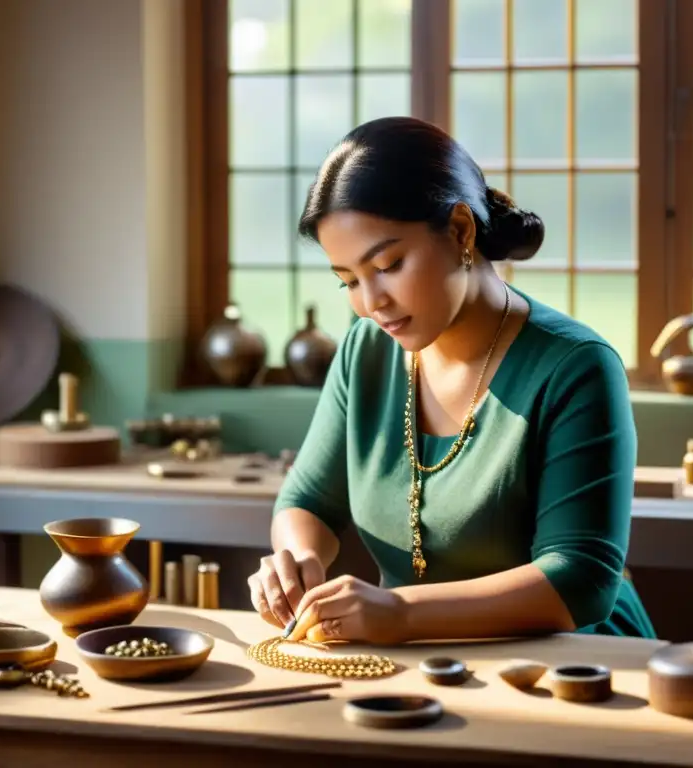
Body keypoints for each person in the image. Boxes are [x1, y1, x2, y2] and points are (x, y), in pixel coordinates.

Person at [247, 116, 656, 646]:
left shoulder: (575, 366)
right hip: (416, 660)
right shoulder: (366, 349)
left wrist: (400, 613)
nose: (372, 304)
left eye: (389, 264)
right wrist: (297, 559)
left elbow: (580, 579)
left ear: (461, 230)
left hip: (577, 663)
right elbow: (308, 501)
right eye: (348, 280)